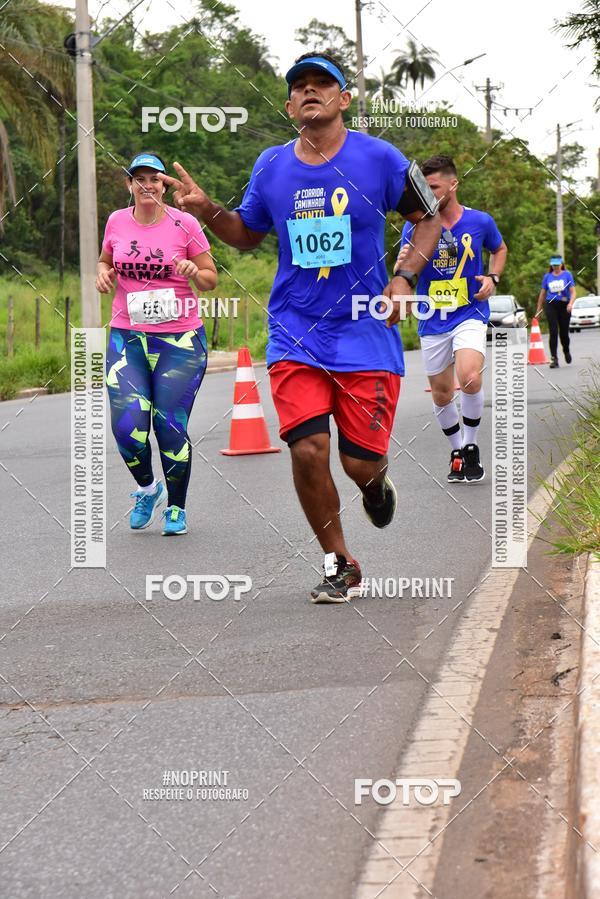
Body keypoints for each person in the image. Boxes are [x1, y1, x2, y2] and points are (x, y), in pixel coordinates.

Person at [161, 53, 441, 601]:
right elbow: (246, 234)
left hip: (365, 329)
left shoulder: (380, 158)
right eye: (300, 86)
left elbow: (427, 217)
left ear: (344, 99)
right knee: (308, 448)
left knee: (359, 462)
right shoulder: (271, 166)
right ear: (290, 106)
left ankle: (375, 486)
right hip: (296, 330)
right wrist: (206, 208)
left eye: (322, 83)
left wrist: (405, 276)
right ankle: (340, 561)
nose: (310, 90)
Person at [97, 152, 217, 535]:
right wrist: (103, 274)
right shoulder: (117, 221)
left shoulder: (185, 223)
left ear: (164, 185)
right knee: (127, 427)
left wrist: (194, 271)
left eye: (155, 179)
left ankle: (176, 508)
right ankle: (148, 489)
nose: (147, 185)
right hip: (127, 337)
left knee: (169, 427)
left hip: (180, 341)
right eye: (140, 179)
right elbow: (105, 261)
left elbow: (210, 278)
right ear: (129, 184)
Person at [397, 154, 507, 483]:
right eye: (423, 187)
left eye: (433, 187)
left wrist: (493, 278)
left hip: (469, 312)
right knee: (442, 393)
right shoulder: (415, 225)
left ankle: (471, 446)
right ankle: (457, 450)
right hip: (432, 319)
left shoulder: (480, 221)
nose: (427, 194)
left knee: (470, 377)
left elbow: (499, 249)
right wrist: (401, 266)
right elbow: (405, 270)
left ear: (453, 184)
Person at [535, 255, 576, 368]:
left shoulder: (567, 275)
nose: (556, 267)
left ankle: (566, 350)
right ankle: (554, 358)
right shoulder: (547, 276)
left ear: (561, 264)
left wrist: (570, 303)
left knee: (564, 333)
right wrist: (538, 310)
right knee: (553, 331)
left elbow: (573, 292)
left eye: (557, 265)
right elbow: (542, 294)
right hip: (551, 304)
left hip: (564, 305)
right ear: (551, 265)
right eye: (553, 265)